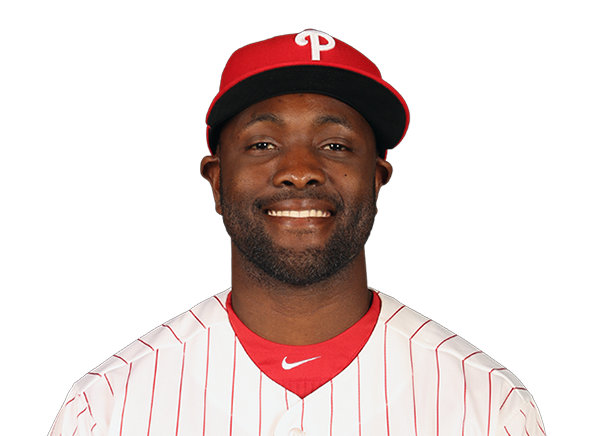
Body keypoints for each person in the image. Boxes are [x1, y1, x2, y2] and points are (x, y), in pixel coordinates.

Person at [50, 30, 545, 436]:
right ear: (217, 183)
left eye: (335, 144)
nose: (300, 171)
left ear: (376, 182)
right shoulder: (109, 404)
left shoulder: (487, 402)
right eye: (263, 143)